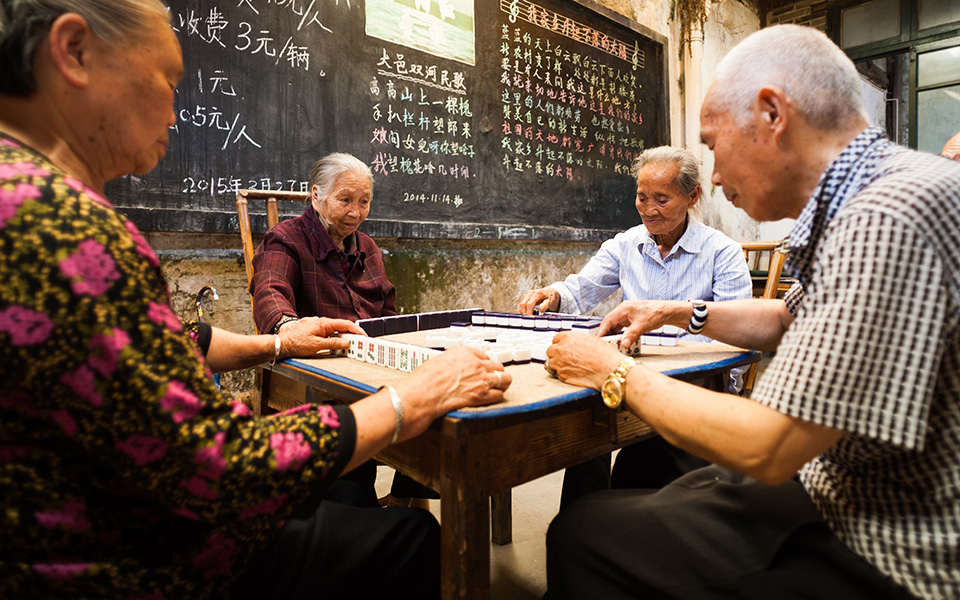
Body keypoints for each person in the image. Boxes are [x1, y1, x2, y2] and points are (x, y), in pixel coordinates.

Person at [0, 2, 512, 599]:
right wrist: (409, 400)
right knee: (410, 536)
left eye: (364, 201)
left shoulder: (28, 194)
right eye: (168, 81)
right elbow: (218, 469)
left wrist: (276, 344)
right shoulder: (60, 227)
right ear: (75, 52)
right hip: (131, 557)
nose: (174, 110)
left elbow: (172, 345)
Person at [544, 24, 960, 599]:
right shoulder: (871, 194)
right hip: (839, 478)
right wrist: (673, 310)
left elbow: (769, 446)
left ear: (771, 114)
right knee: (640, 490)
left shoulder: (885, 216)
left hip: (885, 538)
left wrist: (610, 372)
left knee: (583, 530)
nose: (713, 176)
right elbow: (786, 320)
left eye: (714, 145)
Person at [519, 146, 752, 506]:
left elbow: (737, 337)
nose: (648, 209)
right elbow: (582, 288)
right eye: (642, 197)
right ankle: (585, 521)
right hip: (627, 374)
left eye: (662, 198)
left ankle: (619, 517)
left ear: (691, 197)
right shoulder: (626, 245)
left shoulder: (722, 252)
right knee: (586, 413)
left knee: (641, 453)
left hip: (694, 388)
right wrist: (553, 295)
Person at [250, 152, 430, 508]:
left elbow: (388, 311)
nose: (356, 212)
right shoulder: (286, 238)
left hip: (370, 362)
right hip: (320, 371)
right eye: (345, 200)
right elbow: (269, 290)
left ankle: (405, 499)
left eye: (364, 202)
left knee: (433, 400)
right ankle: (375, 517)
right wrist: (290, 329)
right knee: (352, 480)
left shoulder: (367, 247)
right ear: (316, 196)